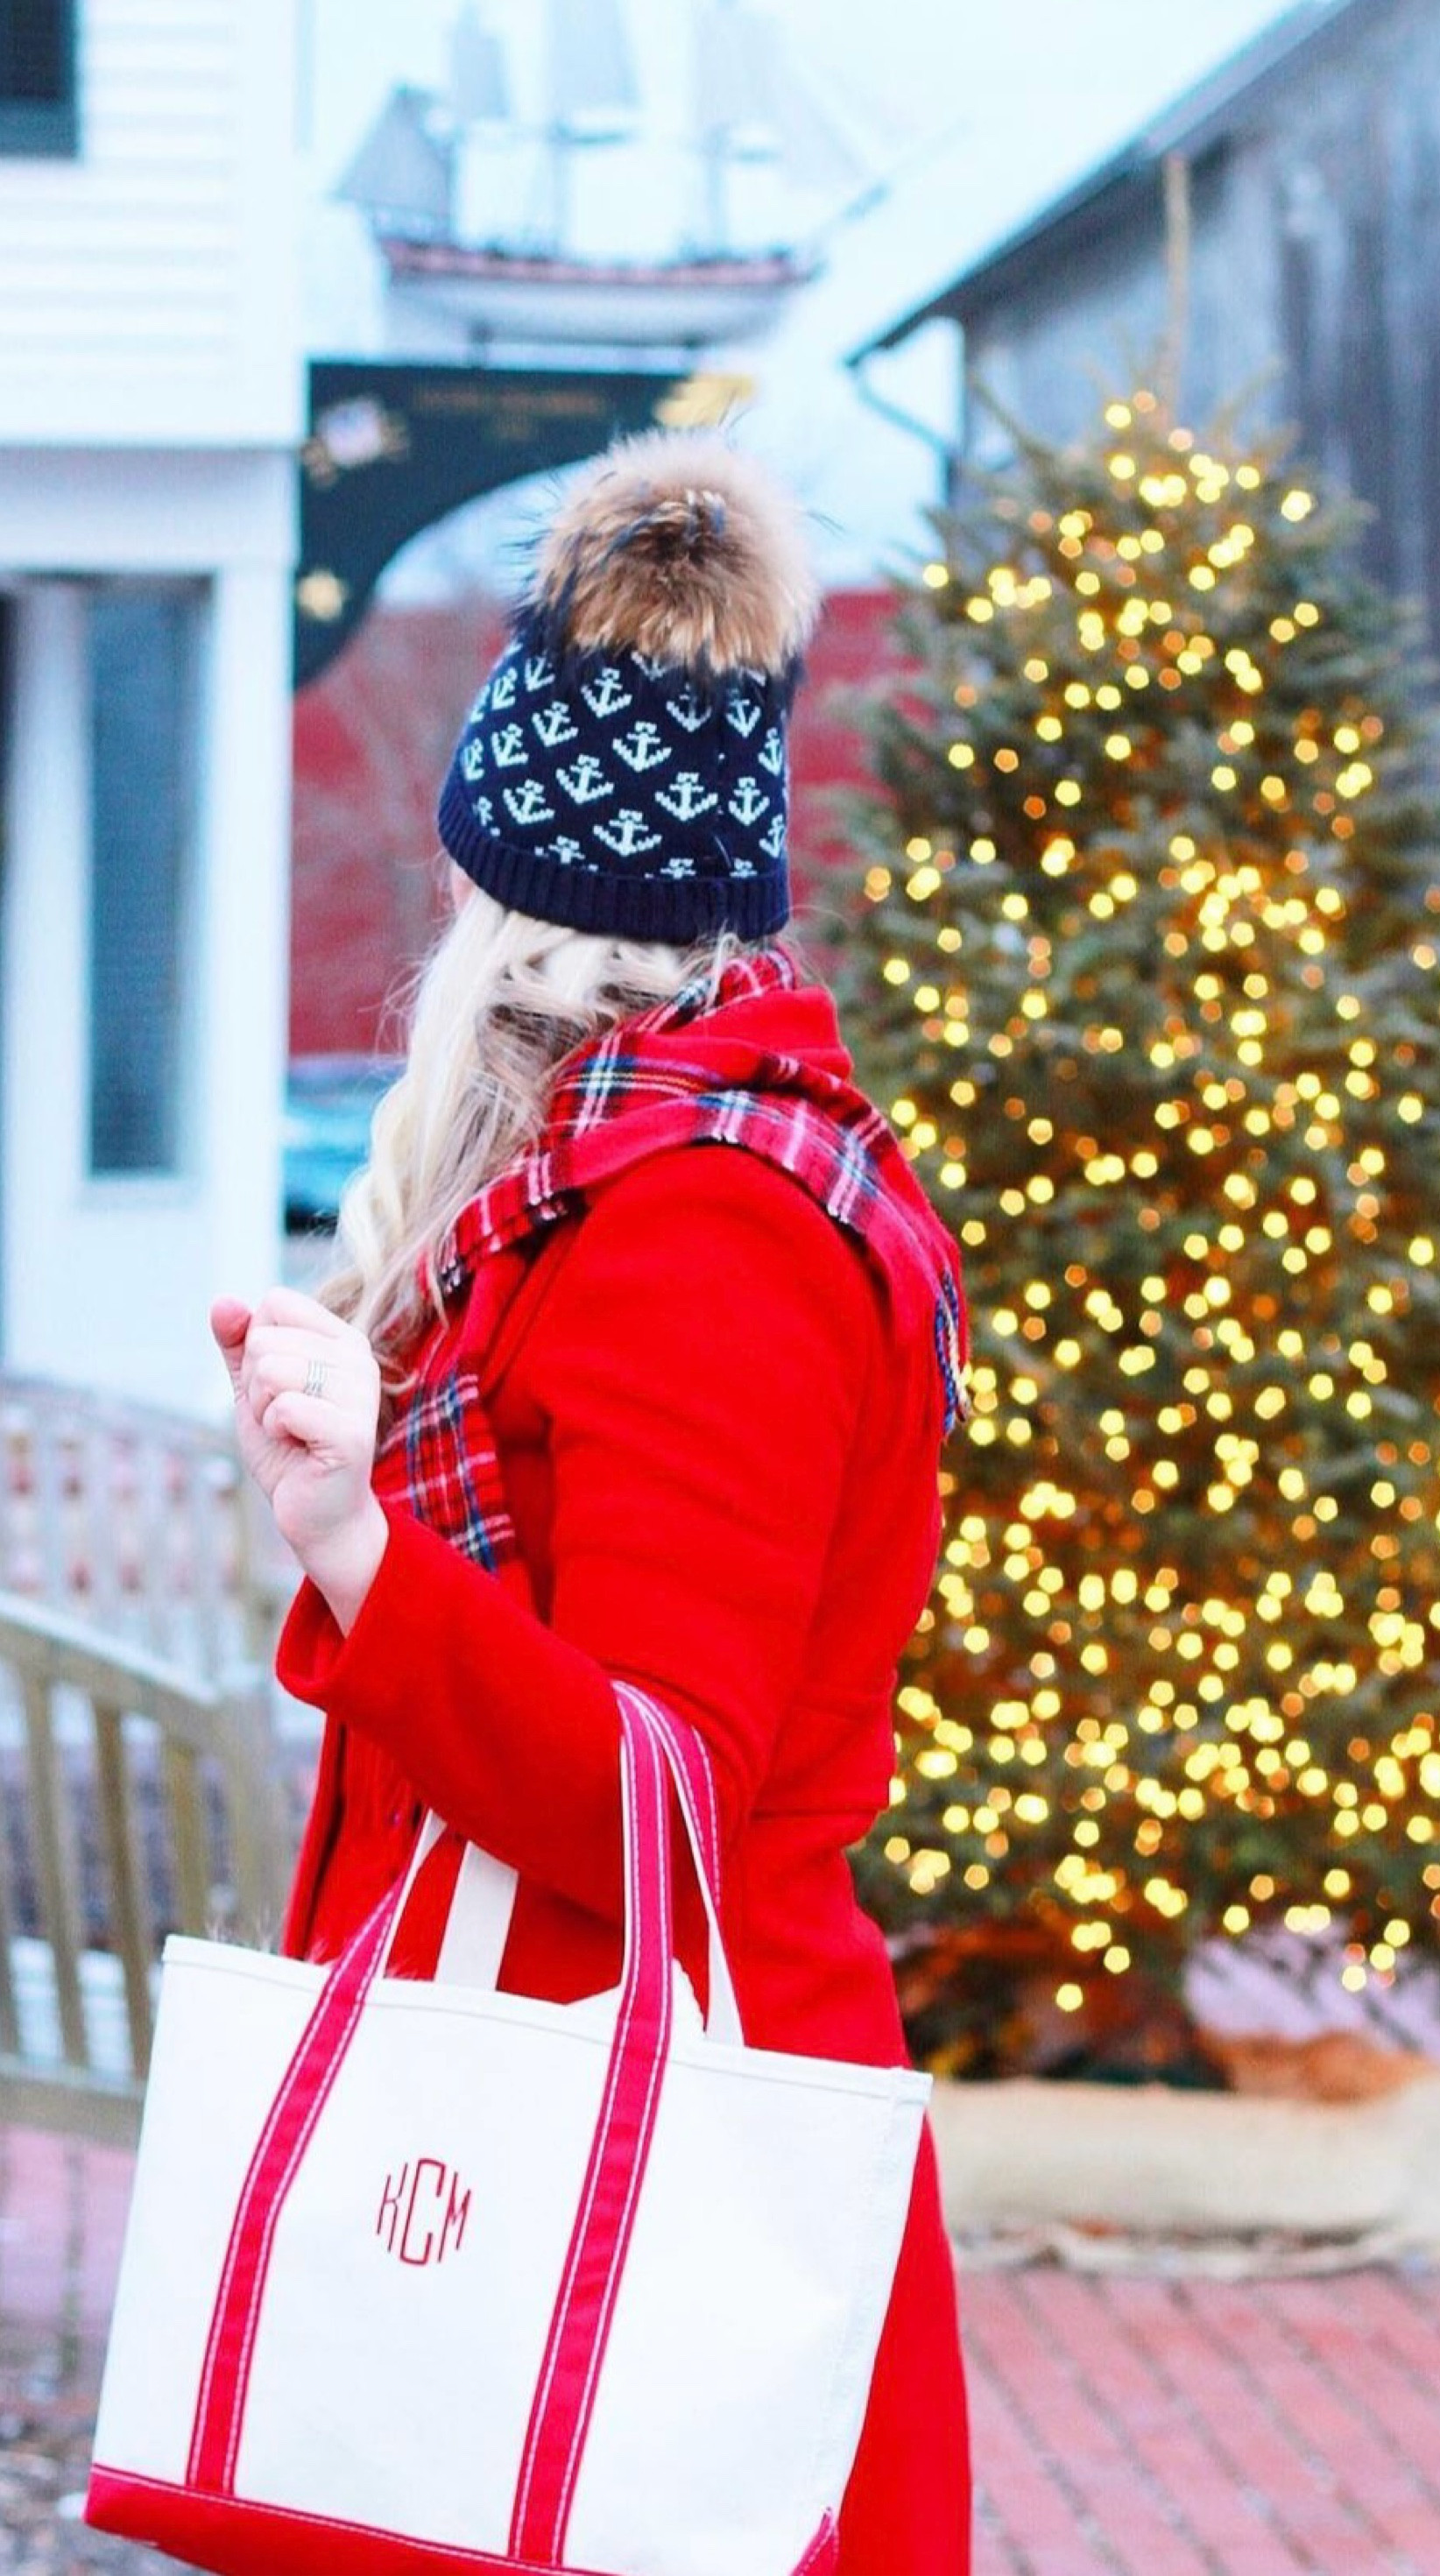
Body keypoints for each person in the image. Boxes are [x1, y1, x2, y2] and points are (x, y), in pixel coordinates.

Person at [213, 431, 973, 2572]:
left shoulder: (702, 1230)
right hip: (562, 2184)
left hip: (633, 2211)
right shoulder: (625, 1189)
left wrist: (358, 1540)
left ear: (511, 905)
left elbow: (659, 1796)